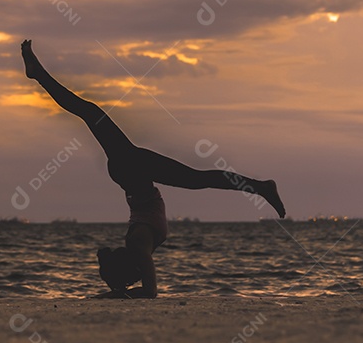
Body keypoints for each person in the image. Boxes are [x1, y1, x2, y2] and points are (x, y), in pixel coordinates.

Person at [21, 40, 285, 299]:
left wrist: (115, 294)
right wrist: (113, 295)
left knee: (90, 113)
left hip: (134, 178)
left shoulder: (137, 245)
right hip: (133, 172)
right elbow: (150, 292)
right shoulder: (138, 246)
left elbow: (140, 289)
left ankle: (39, 76)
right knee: (91, 113)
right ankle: (259, 187)